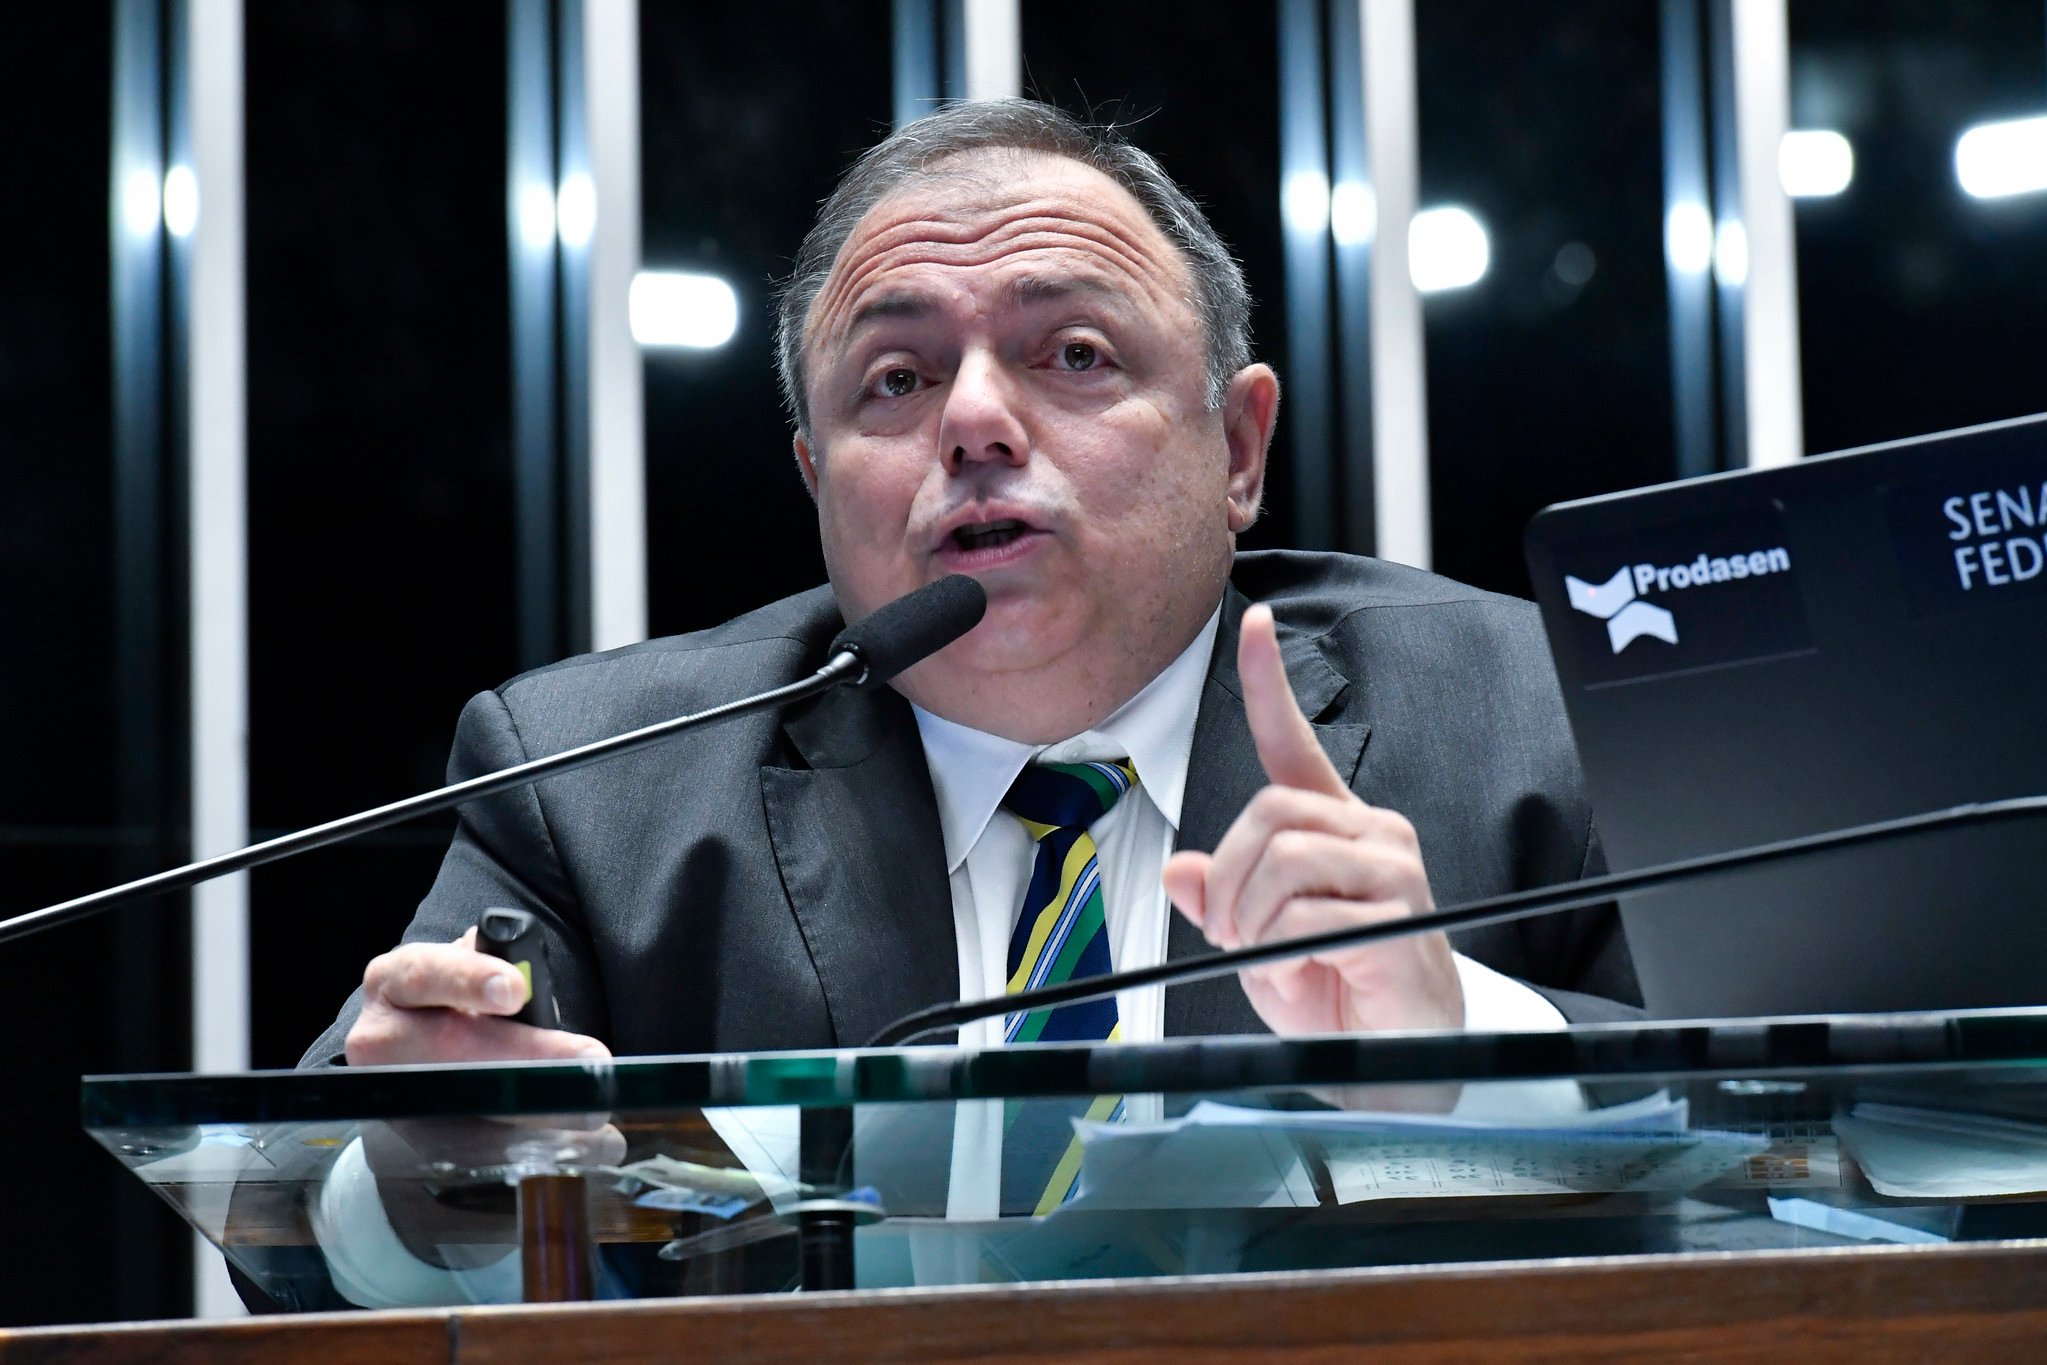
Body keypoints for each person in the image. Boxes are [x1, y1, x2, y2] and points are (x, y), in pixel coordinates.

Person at [318, 99, 1637, 1083]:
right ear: (817, 477)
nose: (976, 421)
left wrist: (1466, 1038)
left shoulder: (1540, 722)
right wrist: (421, 1181)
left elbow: (1818, 1164)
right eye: (895, 379)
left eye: (1073, 351)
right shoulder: (599, 790)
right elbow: (319, 1221)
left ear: (1237, 448)